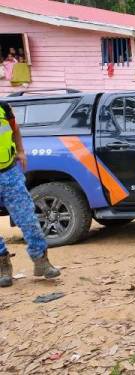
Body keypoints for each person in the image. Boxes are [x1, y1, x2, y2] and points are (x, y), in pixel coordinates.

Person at [0, 101, 61, 287]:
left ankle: (41, 261)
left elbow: (15, 130)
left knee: (28, 219)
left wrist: (20, 151)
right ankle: (3, 266)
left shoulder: (3, 107)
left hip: (9, 174)